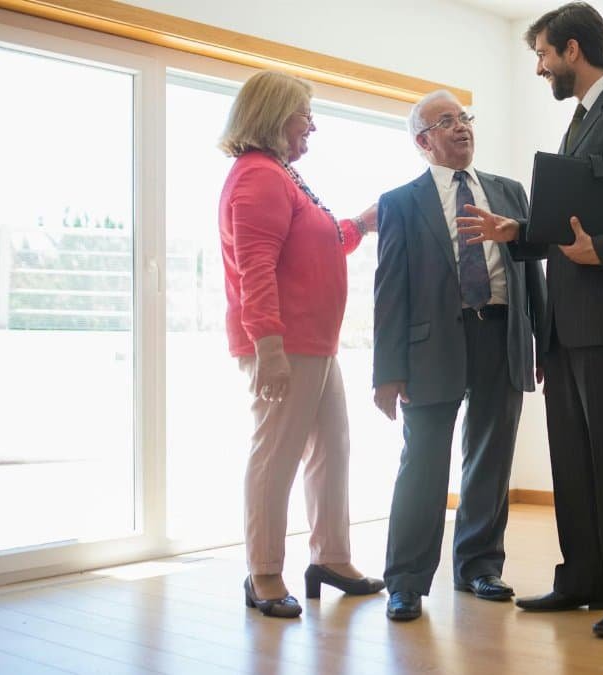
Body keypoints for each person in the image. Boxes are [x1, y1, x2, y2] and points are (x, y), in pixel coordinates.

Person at [457, 2, 603, 638]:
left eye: (541, 55)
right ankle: (585, 579)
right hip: (567, 322)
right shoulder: (581, 122)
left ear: (570, 49)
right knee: (571, 456)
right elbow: (574, 217)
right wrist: (521, 232)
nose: (538, 69)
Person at [372, 90, 547, 622]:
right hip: (432, 346)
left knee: (490, 462)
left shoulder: (509, 192)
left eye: (464, 118)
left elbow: (530, 272)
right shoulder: (401, 202)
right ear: (423, 142)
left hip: (501, 334)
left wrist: (542, 340)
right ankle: (405, 581)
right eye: (446, 122)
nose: (461, 128)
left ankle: (479, 568)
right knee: (423, 464)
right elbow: (390, 291)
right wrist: (387, 372)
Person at [218, 70, 384, 618]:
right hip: (284, 344)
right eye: (304, 113)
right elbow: (255, 271)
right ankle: (263, 572)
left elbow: (322, 242)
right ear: (273, 116)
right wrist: (269, 349)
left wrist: (361, 223)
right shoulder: (257, 178)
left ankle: (331, 557)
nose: (312, 124)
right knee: (277, 456)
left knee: (332, 450)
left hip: (316, 343)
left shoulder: (283, 176)